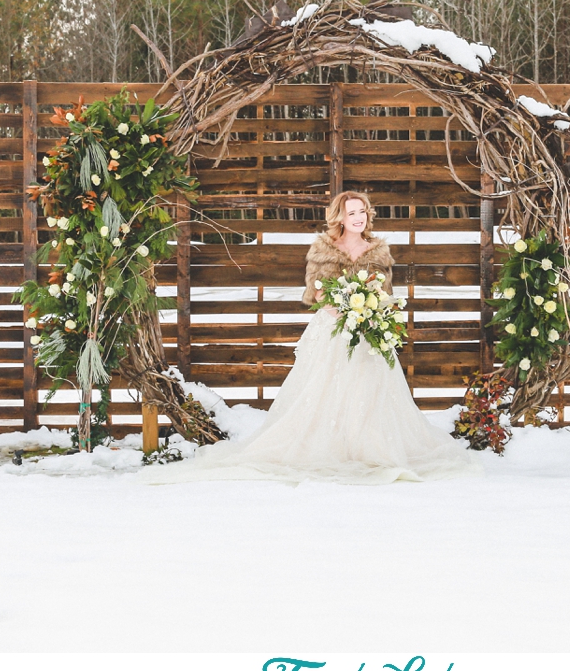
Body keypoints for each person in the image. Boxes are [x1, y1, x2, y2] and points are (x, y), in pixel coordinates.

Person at [140, 190, 483, 485]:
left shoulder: (379, 251)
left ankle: (370, 447)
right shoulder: (323, 248)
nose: (359, 217)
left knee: (370, 390)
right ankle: (326, 447)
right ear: (340, 217)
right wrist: (342, 305)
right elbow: (315, 295)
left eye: (363, 212)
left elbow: (384, 293)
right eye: (352, 213)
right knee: (323, 391)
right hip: (332, 331)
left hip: (366, 331)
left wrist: (369, 311)